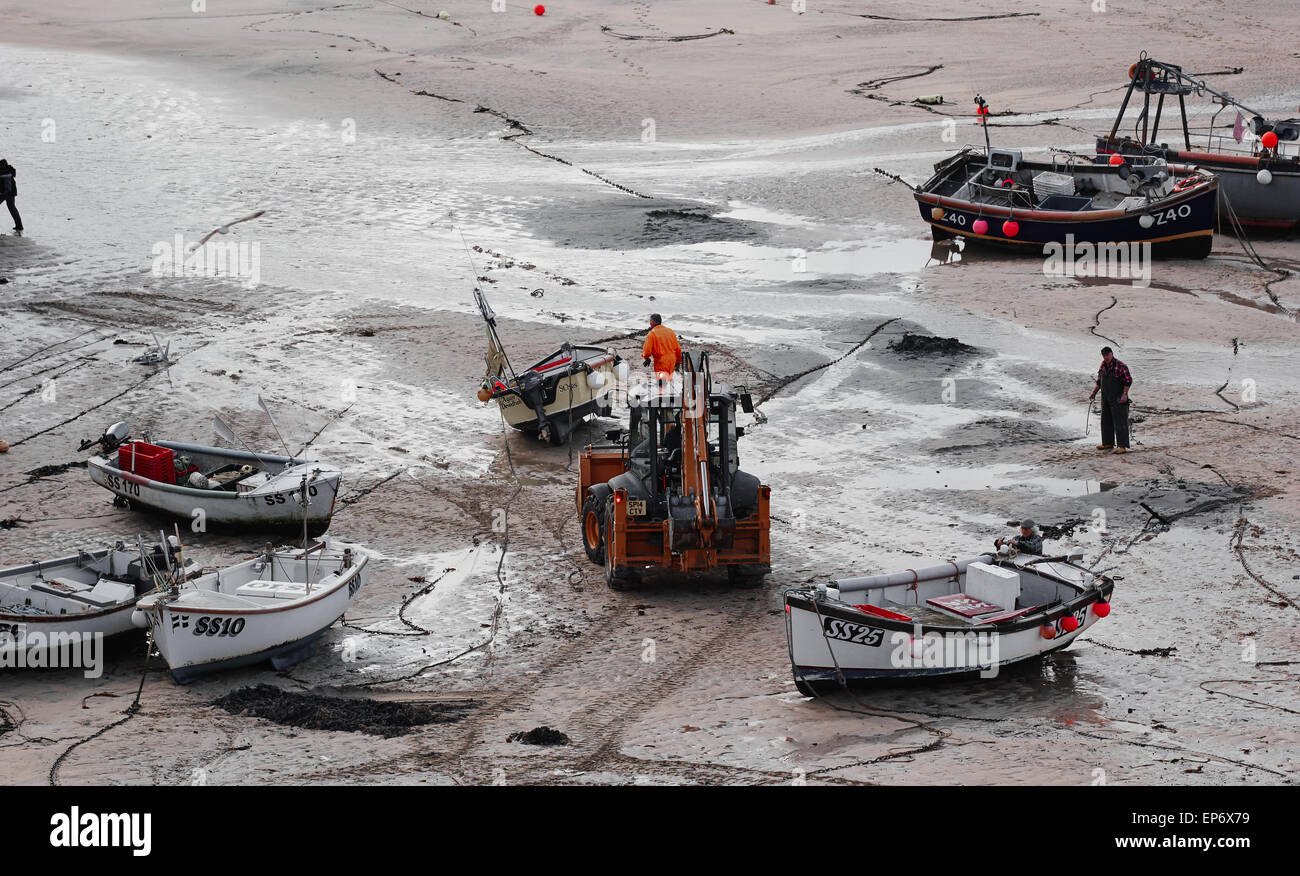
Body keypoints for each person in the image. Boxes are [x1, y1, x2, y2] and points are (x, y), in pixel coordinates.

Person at [1089, 346, 1132, 454]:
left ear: (1112, 354)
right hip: (1106, 397)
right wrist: (1094, 393)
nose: (1106, 357)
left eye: (1107, 355)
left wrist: (1124, 394)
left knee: (1120, 421)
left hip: (1119, 397)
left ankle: (1122, 446)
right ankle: (1108, 443)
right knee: (1105, 420)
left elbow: (1128, 381)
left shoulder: (1121, 366)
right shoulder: (1103, 365)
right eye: (1104, 355)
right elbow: (1099, 382)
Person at [641, 313, 682, 380]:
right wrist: (678, 362)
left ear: (653, 322)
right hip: (672, 361)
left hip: (661, 362)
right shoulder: (670, 331)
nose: (650, 323)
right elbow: (678, 349)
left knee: (661, 383)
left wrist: (646, 358)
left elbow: (647, 350)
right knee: (669, 380)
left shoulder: (652, 333)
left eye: (650, 321)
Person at [0, 160, 21, 236]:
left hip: (7, 193)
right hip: (10, 193)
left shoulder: (5, 172)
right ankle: (19, 226)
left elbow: (7, 187)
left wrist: (3, 194)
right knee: (12, 209)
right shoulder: (8, 171)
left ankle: (19, 226)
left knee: (12, 209)